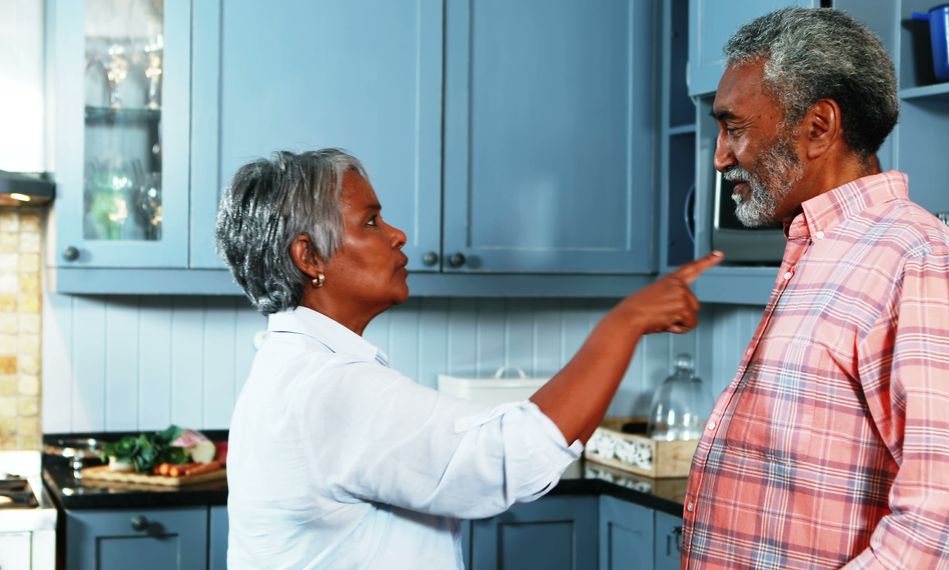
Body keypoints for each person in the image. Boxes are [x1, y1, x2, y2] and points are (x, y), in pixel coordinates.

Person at [215, 148, 722, 568]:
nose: (397, 235)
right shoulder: (329, 386)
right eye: (370, 222)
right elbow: (514, 456)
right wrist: (625, 323)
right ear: (309, 258)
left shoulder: (298, 366)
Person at [682, 8, 949, 569]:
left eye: (733, 127)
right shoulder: (823, 254)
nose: (720, 157)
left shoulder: (919, 261)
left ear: (819, 126)